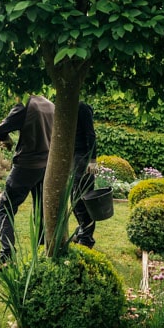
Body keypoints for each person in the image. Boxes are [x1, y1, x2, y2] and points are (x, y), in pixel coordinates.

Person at [0, 94, 54, 269]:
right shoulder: (51, 105)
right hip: (46, 166)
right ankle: (43, 252)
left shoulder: (26, 105)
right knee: (41, 211)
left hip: (26, 166)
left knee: (5, 209)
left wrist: (6, 140)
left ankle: (7, 256)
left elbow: (1, 129)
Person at [71, 101, 98, 248]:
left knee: (83, 200)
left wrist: (93, 161)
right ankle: (82, 231)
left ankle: (87, 239)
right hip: (74, 159)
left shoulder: (82, 107)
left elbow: (91, 135)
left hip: (84, 159)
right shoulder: (67, 107)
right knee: (74, 200)